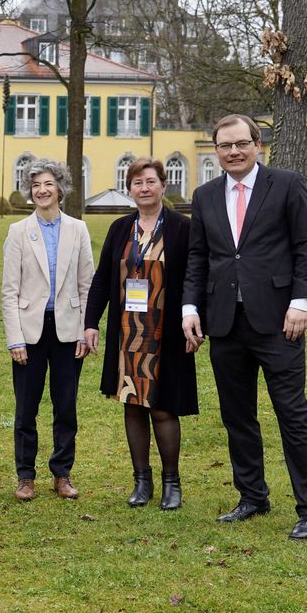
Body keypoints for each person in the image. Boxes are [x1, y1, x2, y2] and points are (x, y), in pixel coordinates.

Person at [182, 114, 307, 539]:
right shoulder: (205, 195)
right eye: (224, 146)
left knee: (292, 414)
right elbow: (198, 258)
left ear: (257, 143)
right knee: (237, 416)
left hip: (280, 322)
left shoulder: (286, 184)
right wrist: (190, 309)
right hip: (225, 323)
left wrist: (301, 302)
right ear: (216, 151)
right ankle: (252, 495)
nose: (233, 152)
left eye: (240, 143)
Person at [84, 157, 198, 510]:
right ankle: (141, 481)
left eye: (150, 182)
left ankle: (171, 483)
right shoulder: (120, 228)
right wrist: (91, 322)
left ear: (164, 186)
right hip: (127, 331)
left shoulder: (182, 228)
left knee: (164, 408)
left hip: (167, 331)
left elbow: (196, 276)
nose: (144, 189)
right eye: (137, 183)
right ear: (129, 189)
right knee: (132, 405)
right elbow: (103, 277)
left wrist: (195, 318)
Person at [1, 159, 94, 502]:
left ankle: (62, 473)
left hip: (68, 331)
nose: (42, 190)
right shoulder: (18, 232)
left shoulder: (78, 230)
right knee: (26, 408)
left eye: (48, 184)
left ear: (61, 189)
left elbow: (87, 285)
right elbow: (9, 290)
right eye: (36, 184)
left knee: (65, 405)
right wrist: (14, 338)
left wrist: (87, 331)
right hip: (29, 332)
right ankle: (25, 476)